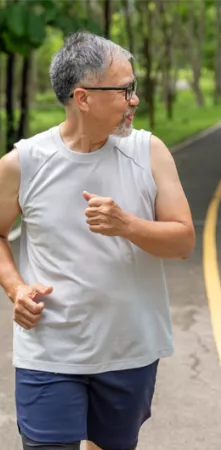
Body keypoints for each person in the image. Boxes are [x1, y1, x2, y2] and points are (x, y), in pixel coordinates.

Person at [0, 32, 195, 450]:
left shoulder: (149, 152)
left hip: (129, 351)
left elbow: (182, 242)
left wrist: (128, 225)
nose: (134, 100)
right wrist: (16, 289)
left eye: (134, 88)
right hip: (49, 350)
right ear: (83, 97)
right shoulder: (24, 163)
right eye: (125, 90)